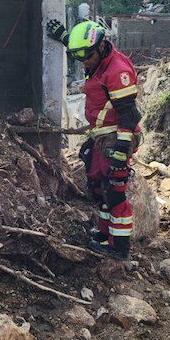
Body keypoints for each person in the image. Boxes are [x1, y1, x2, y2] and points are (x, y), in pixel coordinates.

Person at [46, 19, 142, 260]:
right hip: (102, 135)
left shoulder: (117, 71)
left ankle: (119, 248)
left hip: (117, 135)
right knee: (98, 187)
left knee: (114, 190)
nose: (83, 62)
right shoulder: (97, 58)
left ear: (100, 47)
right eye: (78, 56)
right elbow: (83, 50)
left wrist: (120, 151)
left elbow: (129, 115)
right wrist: (65, 37)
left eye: (86, 56)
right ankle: (104, 234)